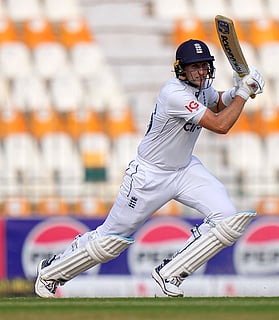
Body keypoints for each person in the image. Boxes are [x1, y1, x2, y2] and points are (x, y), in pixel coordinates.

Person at [34, 39, 265, 298]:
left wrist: (236, 91)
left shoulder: (202, 88)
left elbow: (218, 102)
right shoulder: (173, 93)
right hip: (149, 175)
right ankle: (50, 272)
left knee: (228, 219)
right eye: (194, 67)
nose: (201, 72)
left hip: (185, 169)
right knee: (110, 241)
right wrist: (244, 94)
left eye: (204, 66)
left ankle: (171, 273)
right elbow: (221, 125)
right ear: (181, 70)